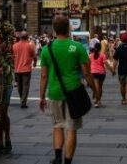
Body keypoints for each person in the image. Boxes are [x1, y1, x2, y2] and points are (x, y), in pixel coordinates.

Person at [39, 15, 96, 164]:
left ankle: (58, 157)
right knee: (71, 128)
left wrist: (41, 97)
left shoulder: (46, 49)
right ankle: (68, 161)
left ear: (54, 29)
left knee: (57, 125)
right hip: (74, 92)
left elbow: (43, 76)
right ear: (68, 28)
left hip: (55, 93)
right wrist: (94, 89)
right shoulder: (77, 47)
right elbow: (87, 73)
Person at [12, 31, 37, 108]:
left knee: (19, 85)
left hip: (17, 69)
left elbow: (12, 58)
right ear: (27, 37)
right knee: (25, 86)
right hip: (26, 69)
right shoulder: (29, 46)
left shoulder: (14, 46)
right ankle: (23, 101)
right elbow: (34, 55)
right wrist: (35, 63)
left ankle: (21, 99)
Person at [113, 32, 127, 107]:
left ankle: (123, 99)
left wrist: (113, 70)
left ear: (121, 40)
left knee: (122, 85)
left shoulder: (119, 48)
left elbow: (115, 60)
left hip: (121, 70)